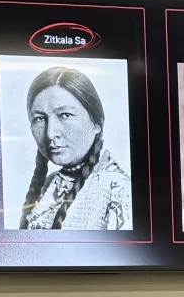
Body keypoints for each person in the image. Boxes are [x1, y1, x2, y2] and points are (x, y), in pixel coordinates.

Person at [18, 66, 131, 231]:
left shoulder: (118, 190)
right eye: (40, 118)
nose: (50, 133)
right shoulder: (49, 184)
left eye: (65, 115)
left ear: (97, 123)